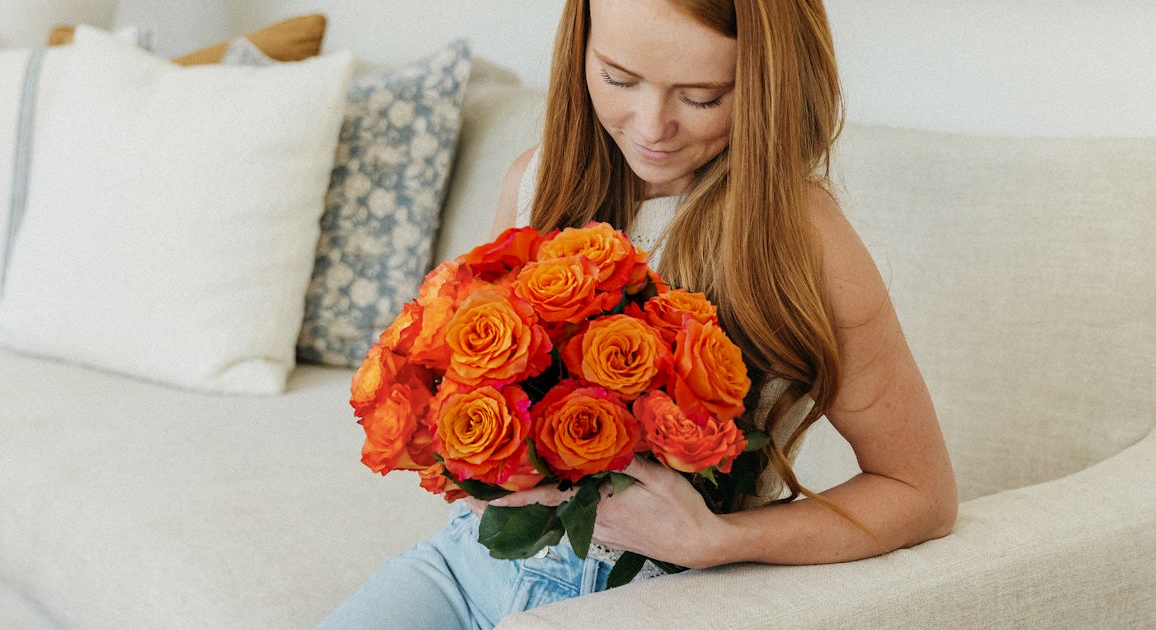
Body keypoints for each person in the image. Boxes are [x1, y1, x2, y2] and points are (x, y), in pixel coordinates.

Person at [320, 0, 958, 627]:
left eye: (702, 96)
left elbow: (920, 495)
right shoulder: (534, 183)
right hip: (468, 568)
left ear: (769, 81)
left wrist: (718, 540)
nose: (652, 127)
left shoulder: (802, 238)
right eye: (618, 78)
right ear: (581, 48)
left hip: (657, 599)